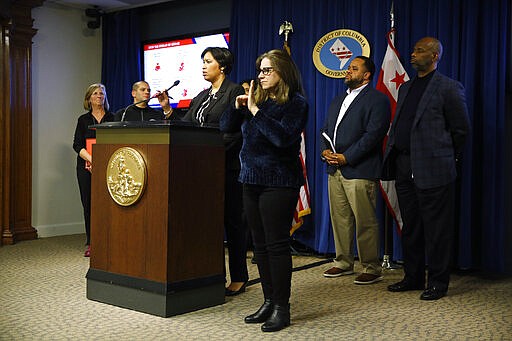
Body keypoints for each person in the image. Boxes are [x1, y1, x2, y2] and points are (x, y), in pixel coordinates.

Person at [220, 49, 308, 332]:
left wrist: (255, 111)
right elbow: (226, 129)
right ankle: (269, 301)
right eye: (260, 70)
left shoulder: (296, 103)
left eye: (267, 70)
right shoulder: (255, 101)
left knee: (276, 244)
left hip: (279, 182)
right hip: (250, 180)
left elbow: (282, 138)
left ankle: (282, 307)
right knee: (258, 246)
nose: (260, 75)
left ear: (283, 72)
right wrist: (236, 108)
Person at [383, 37, 470, 300]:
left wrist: (445, 157)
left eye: (419, 51)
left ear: (434, 56)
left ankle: (438, 283)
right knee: (411, 226)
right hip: (404, 165)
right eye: (413, 50)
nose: (413, 54)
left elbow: (460, 130)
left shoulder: (448, 87)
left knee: (437, 229)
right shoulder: (406, 87)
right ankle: (412, 276)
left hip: (434, 168)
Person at [166, 47, 248, 296]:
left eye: (208, 61)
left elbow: (236, 132)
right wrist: (168, 113)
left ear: (221, 66)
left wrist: (210, 153)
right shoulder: (201, 96)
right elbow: (187, 126)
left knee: (232, 223)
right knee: (205, 224)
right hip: (201, 170)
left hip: (226, 167)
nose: (203, 66)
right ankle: (208, 273)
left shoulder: (233, 91)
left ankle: (239, 276)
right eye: (202, 61)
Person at [320, 56, 390, 284]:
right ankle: (343, 262)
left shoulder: (377, 99)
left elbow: (373, 135)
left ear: (367, 75)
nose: (347, 71)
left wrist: (346, 157)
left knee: (365, 220)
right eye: (348, 68)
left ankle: (371, 266)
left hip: (360, 169)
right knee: (340, 218)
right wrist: (325, 152)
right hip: (334, 170)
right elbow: (325, 130)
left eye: (353, 68)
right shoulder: (337, 99)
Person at [73, 83, 115, 257]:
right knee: (89, 204)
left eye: (102, 93)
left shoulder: (113, 118)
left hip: (109, 166)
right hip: (86, 167)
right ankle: (91, 242)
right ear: (89, 98)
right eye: (96, 93)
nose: (99, 96)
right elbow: (77, 145)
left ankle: (109, 240)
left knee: (109, 205)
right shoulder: (83, 120)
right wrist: (92, 159)